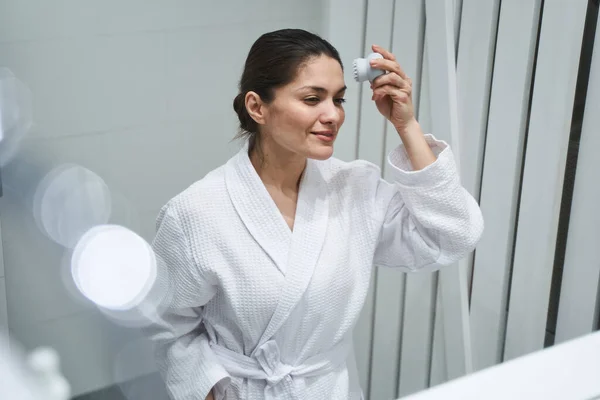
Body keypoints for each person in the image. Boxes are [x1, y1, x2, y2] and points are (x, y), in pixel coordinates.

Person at [146, 28, 484, 400]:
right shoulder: (196, 213)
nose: (333, 115)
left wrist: (407, 126)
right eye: (312, 99)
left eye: (338, 100)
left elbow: (453, 235)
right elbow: (168, 327)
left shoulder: (354, 189)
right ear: (257, 107)